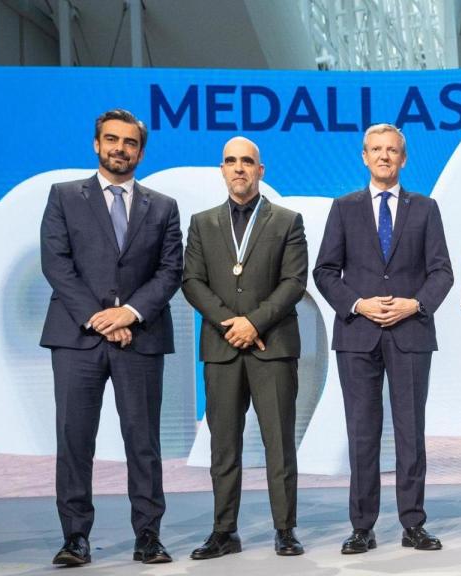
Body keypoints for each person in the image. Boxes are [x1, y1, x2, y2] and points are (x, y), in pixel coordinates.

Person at [40, 109, 182, 565]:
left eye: (130, 142)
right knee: (75, 439)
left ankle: (148, 535)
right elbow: (56, 263)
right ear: (96, 145)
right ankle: (75, 538)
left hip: (139, 337)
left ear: (141, 151)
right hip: (76, 337)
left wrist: (129, 314)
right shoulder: (64, 196)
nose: (120, 148)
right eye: (111, 140)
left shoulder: (162, 206)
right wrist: (100, 318)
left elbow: (170, 270)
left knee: (143, 440)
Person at [313, 123, 454, 554]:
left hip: (410, 333)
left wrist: (416, 304)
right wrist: (358, 304)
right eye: (376, 149)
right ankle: (362, 527)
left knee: (411, 432)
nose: (384, 156)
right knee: (362, 433)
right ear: (364, 156)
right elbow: (324, 271)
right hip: (358, 336)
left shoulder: (426, 208)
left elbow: (442, 272)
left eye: (392, 150)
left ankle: (413, 523)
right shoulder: (344, 207)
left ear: (403, 158)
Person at [181, 137, 307, 558]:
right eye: (231, 161)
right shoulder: (201, 222)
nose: (239, 168)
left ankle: (285, 529)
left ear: (261, 170)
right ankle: (224, 531)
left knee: (279, 443)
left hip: (272, 346)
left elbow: (294, 282)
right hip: (222, 348)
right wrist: (228, 323)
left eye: (247, 162)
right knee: (224, 446)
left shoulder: (288, 220)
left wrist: (253, 321)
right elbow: (191, 281)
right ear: (222, 169)